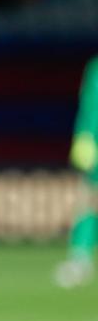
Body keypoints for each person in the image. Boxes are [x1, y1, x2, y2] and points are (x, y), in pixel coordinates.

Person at [55, 55, 98, 288]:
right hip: (95, 146)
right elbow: (88, 108)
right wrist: (84, 139)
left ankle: (81, 256)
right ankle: (81, 256)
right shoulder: (94, 69)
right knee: (89, 199)